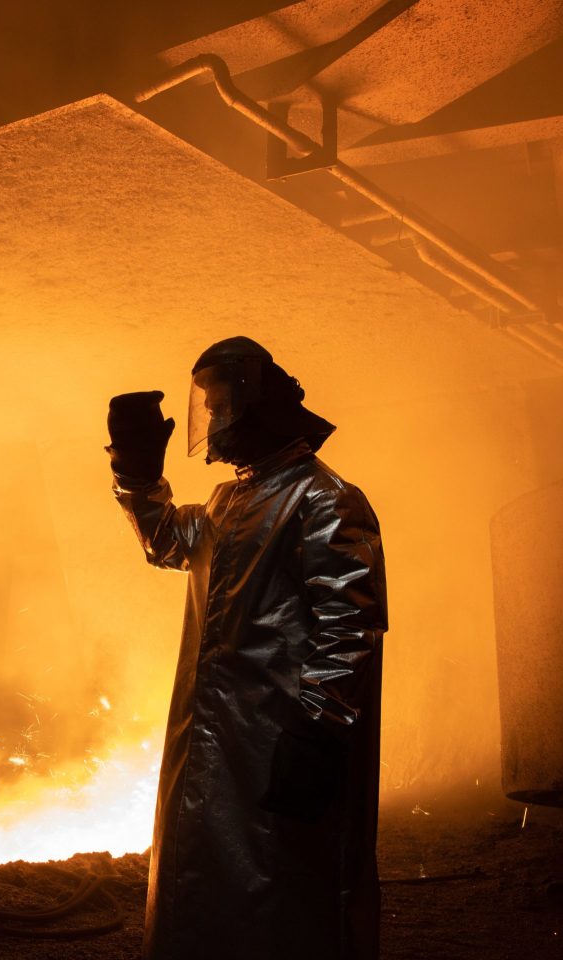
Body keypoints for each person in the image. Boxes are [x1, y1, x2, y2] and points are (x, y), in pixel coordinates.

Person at [106, 335, 387, 960]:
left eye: (222, 403)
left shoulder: (324, 499)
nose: (214, 419)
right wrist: (136, 471)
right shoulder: (231, 500)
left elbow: (351, 626)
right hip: (218, 739)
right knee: (209, 888)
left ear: (259, 403)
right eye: (207, 405)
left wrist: (318, 732)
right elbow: (166, 542)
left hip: (276, 740)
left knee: (285, 894)